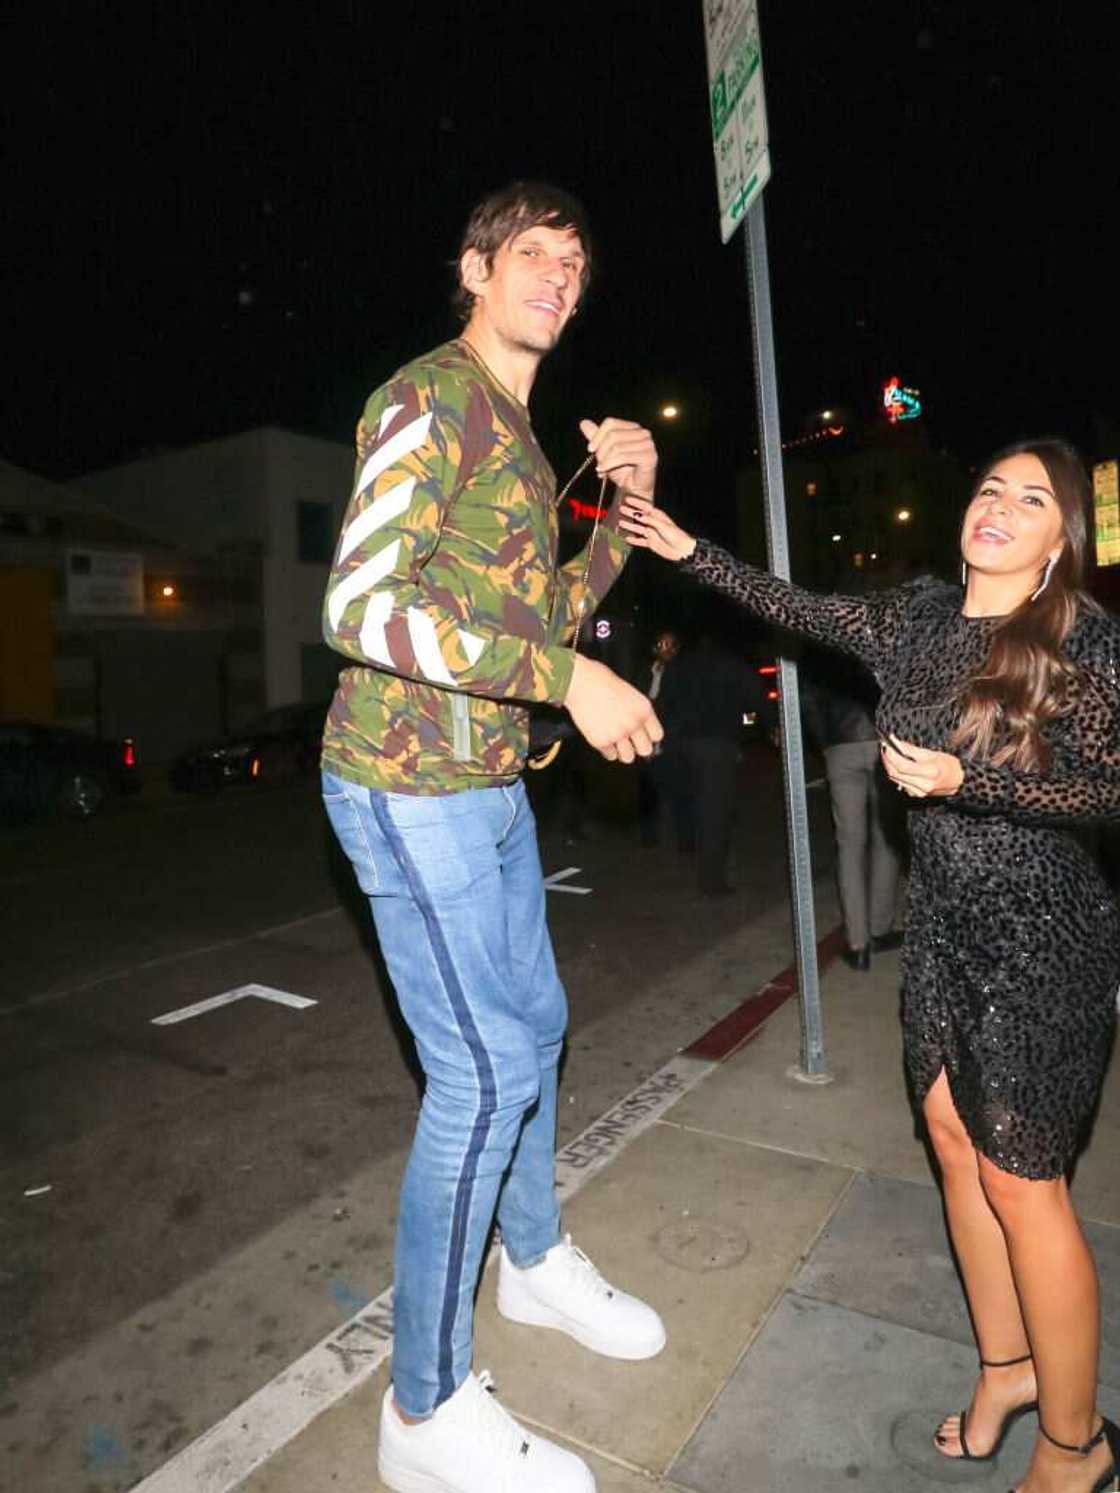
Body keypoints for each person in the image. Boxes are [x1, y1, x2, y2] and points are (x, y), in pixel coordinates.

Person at [620, 441, 1120, 1493]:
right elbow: (798, 606)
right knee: (951, 1145)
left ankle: (1077, 1446)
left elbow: (1107, 795)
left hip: (1045, 939)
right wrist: (684, 545)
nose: (998, 506)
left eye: (1030, 499)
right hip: (940, 924)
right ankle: (1006, 1371)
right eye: (989, 487)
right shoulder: (919, 616)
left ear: (1057, 537)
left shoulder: (1084, 641)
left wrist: (971, 780)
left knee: (1025, 1183)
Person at [320, 182, 667, 1493]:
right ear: (476, 269)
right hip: (404, 780)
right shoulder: (430, 396)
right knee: (480, 1067)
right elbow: (360, 606)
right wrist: (566, 681)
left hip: (489, 781)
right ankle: (423, 1408)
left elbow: (555, 603)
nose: (559, 276)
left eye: (576, 262)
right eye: (535, 254)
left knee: (537, 1024)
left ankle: (530, 1262)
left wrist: (628, 513)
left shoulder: (521, 441)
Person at [799, 650, 903, 968]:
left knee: (849, 845)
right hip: (881, 743)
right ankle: (880, 928)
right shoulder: (881, 644)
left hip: (840, 747)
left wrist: (826, 744)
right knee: (886, 838)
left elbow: (807, 700)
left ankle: (857, 944)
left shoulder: (818, 652)